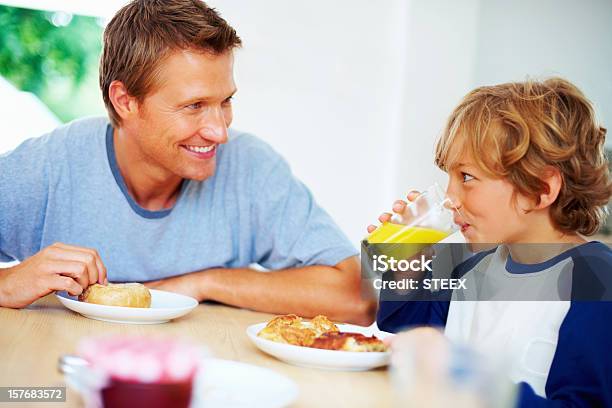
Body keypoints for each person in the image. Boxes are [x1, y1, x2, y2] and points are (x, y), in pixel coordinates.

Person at [0, 0, 374, 325]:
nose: (219, 132)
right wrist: (9, 281)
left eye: (225, 101)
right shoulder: (48, 167)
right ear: (125, 101)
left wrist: (205, 281)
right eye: (194, 106)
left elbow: (358, 297)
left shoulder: (251, 167)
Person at [373, 78, 612, 405]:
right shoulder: (471, 262)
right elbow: (402, 325)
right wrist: (406, 259)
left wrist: (472, 379)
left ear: (540, 190)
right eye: (449, 177)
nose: (449, 199)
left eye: (466, 177)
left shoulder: (595, 282)